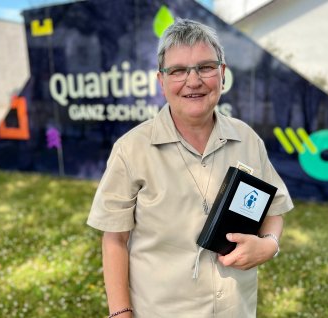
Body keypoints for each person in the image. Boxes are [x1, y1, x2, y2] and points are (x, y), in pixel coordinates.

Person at [87, 18, 294, 318]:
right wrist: (120, 314)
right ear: (161, 80)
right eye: (179, 71)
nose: (193, 81)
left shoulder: (247, 139)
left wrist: (269, 245)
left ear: (222, 74)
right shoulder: (130, 150)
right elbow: (115, 239)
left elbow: (274, 209)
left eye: (206, 67)